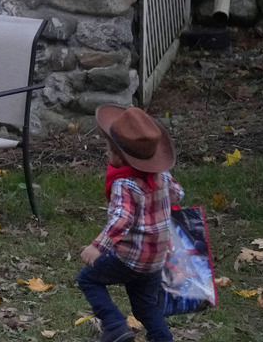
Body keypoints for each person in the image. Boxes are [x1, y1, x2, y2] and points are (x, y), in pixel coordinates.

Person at [78, 105, 184, 342]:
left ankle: (115, 325)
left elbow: (122, 218)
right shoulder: (162, 176)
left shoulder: (124, 184)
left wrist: (98, 246)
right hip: (155, 261)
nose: (107, 153)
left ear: (118, 156)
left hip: (129, 258)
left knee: (87, 279)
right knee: (146, 309)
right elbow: (178, 193)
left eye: (108, 149)